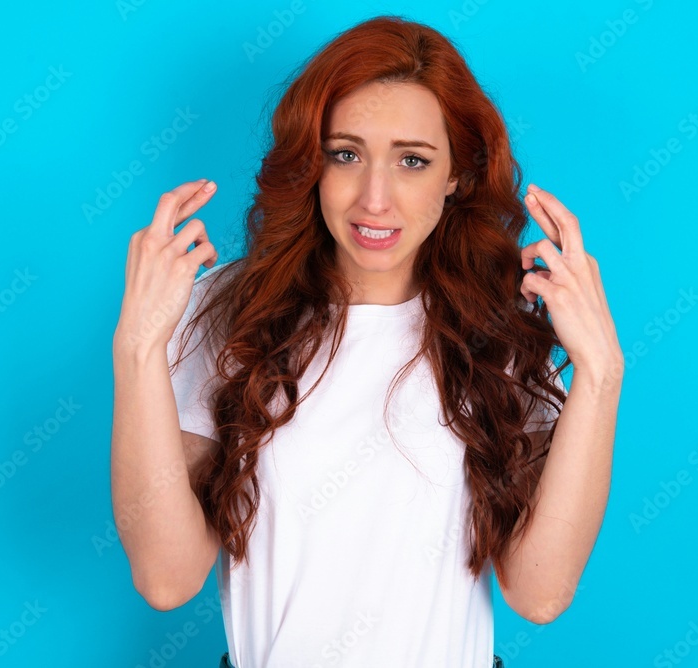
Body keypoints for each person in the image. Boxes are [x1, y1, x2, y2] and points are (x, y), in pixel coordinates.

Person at [111, 14, 623, 668]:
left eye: (413, 161)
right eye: (346, 154)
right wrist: (137, 349)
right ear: (312, 162)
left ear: (456, 175)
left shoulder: (497, 326)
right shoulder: (230, 311)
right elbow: (166, 578)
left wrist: (601, 371)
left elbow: (539, 592)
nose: (374, 199)